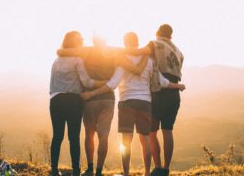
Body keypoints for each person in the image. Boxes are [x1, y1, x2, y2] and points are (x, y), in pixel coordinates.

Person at [81, 32, 185, 176]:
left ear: (125, 43)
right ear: (137, 42)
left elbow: (113, 84)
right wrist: (178, 86)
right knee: (145, 139)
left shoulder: (122, 59)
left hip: (127, 102)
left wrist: (92, 93)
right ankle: (147, 173)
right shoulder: (149, 60)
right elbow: (162, 82)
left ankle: (126, 173)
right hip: (145, 102)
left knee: (126, 140)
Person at [57, 37, 148, 176]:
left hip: (89, 98)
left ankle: (90, 169)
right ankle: (99, 171)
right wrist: (147, 51)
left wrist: (60, 50)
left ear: (93, 41)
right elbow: (121, 73)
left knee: (89, 133)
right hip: (107, 99)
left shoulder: (85, 52)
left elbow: (63, 52)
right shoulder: (114, 53)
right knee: (103, 136)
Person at [127, 24, 185, 176]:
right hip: (173, 94)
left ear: (157, 33)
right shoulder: (178, 51)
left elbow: (139, 52)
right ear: (171, 35)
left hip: (158, 93)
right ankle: (166, 169)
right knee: (168, 130)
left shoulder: (155, 44)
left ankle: (157, 167)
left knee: (152, 132)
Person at [49, 31, 105, 176]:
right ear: (76, 43)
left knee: (57, 136)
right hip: (73, 100)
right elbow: (87, 81)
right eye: (80, 40)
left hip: (55, 100)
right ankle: (76, 171)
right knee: (73, 137)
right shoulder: (78, 60)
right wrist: (104, 83)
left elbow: (52, 83)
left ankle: (54, 170)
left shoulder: (56, 60)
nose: (82, 42)